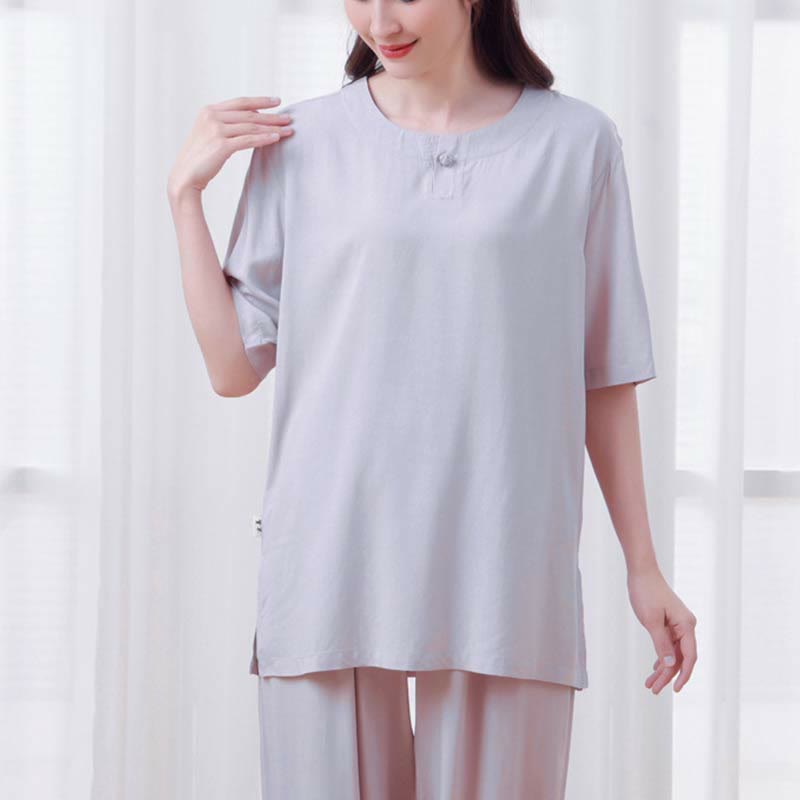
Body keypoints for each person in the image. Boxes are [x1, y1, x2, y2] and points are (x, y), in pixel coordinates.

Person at [167, 0, 699, 796]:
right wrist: (184, 198)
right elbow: (232, 368)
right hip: (332, 554)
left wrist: (644, 567)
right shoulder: (301, 141)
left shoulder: (576, 143)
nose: (380, 20)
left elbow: (602, 373)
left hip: (504, 553)